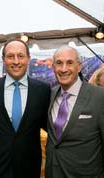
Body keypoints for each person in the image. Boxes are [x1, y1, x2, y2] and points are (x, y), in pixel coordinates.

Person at [0, 39, 51, 178]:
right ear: (3, 59)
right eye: (10, 56)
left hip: (29, 167)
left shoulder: (43, 90)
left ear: (29, 59)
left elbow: (49, 125)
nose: (16, 61)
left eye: (21, 56)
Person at [45, 45, 104, 178]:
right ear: (53, 67)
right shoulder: (49, 95)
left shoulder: (100, 96)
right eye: (59, 63)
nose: (64, 69)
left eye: (70, 63)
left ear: (79, 66)